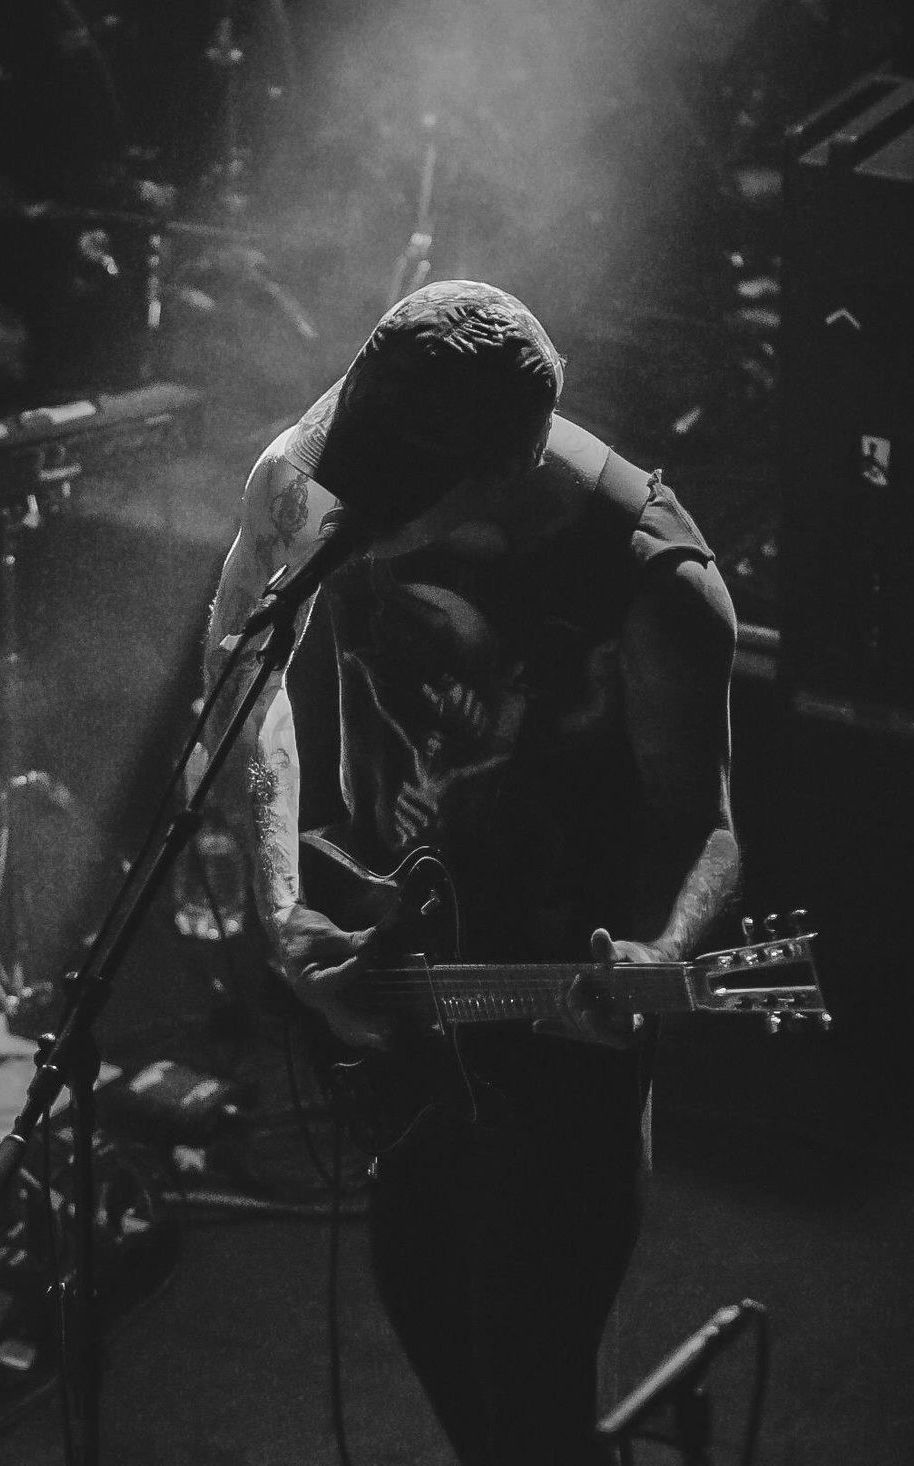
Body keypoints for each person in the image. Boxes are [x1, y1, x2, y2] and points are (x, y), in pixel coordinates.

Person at [204, 280, 741, 1465]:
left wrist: (664, 953)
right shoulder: (319, 465)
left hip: (556, 1032)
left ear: (508, 462)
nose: (353, 505)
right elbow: (239, 692)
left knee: (531, 1392)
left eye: (396, 485)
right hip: (400, 985)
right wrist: (284, 912)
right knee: (433, 1325)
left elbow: (704, 825)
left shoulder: (653, 584)